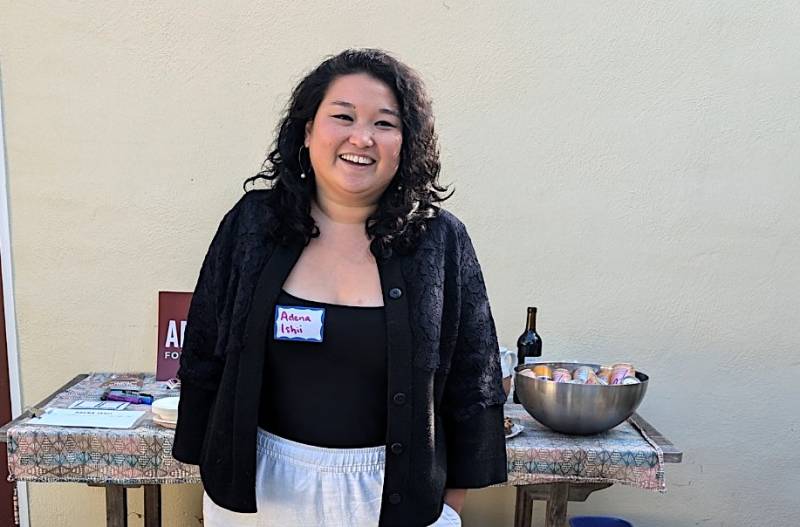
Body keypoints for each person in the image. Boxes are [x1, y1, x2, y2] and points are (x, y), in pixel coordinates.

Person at [173, 48, 507, 527]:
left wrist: (447, 509)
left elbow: (473, 379)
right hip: (260, 489)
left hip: (391, 496)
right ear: (308, 131)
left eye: (385, 123)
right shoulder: (253, 224)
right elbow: (205, 346)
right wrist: (212, 471)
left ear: (406, 143)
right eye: (343, 116)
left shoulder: (439, 240)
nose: (362, 137)